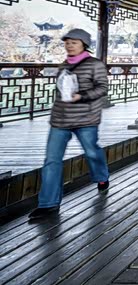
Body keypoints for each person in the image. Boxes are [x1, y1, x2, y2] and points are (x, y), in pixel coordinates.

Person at [29, 29, 110, 219]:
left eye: (74, 42)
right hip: (60, 118)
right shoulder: (64, 65)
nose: (70, 46)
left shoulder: (95, 64)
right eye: (67, 42)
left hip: (85, 118)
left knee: (92, 151)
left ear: (84, 45)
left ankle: (101, 177)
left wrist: (81, 96)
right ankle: (48, 204)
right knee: (52, 160)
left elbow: (102, 88)